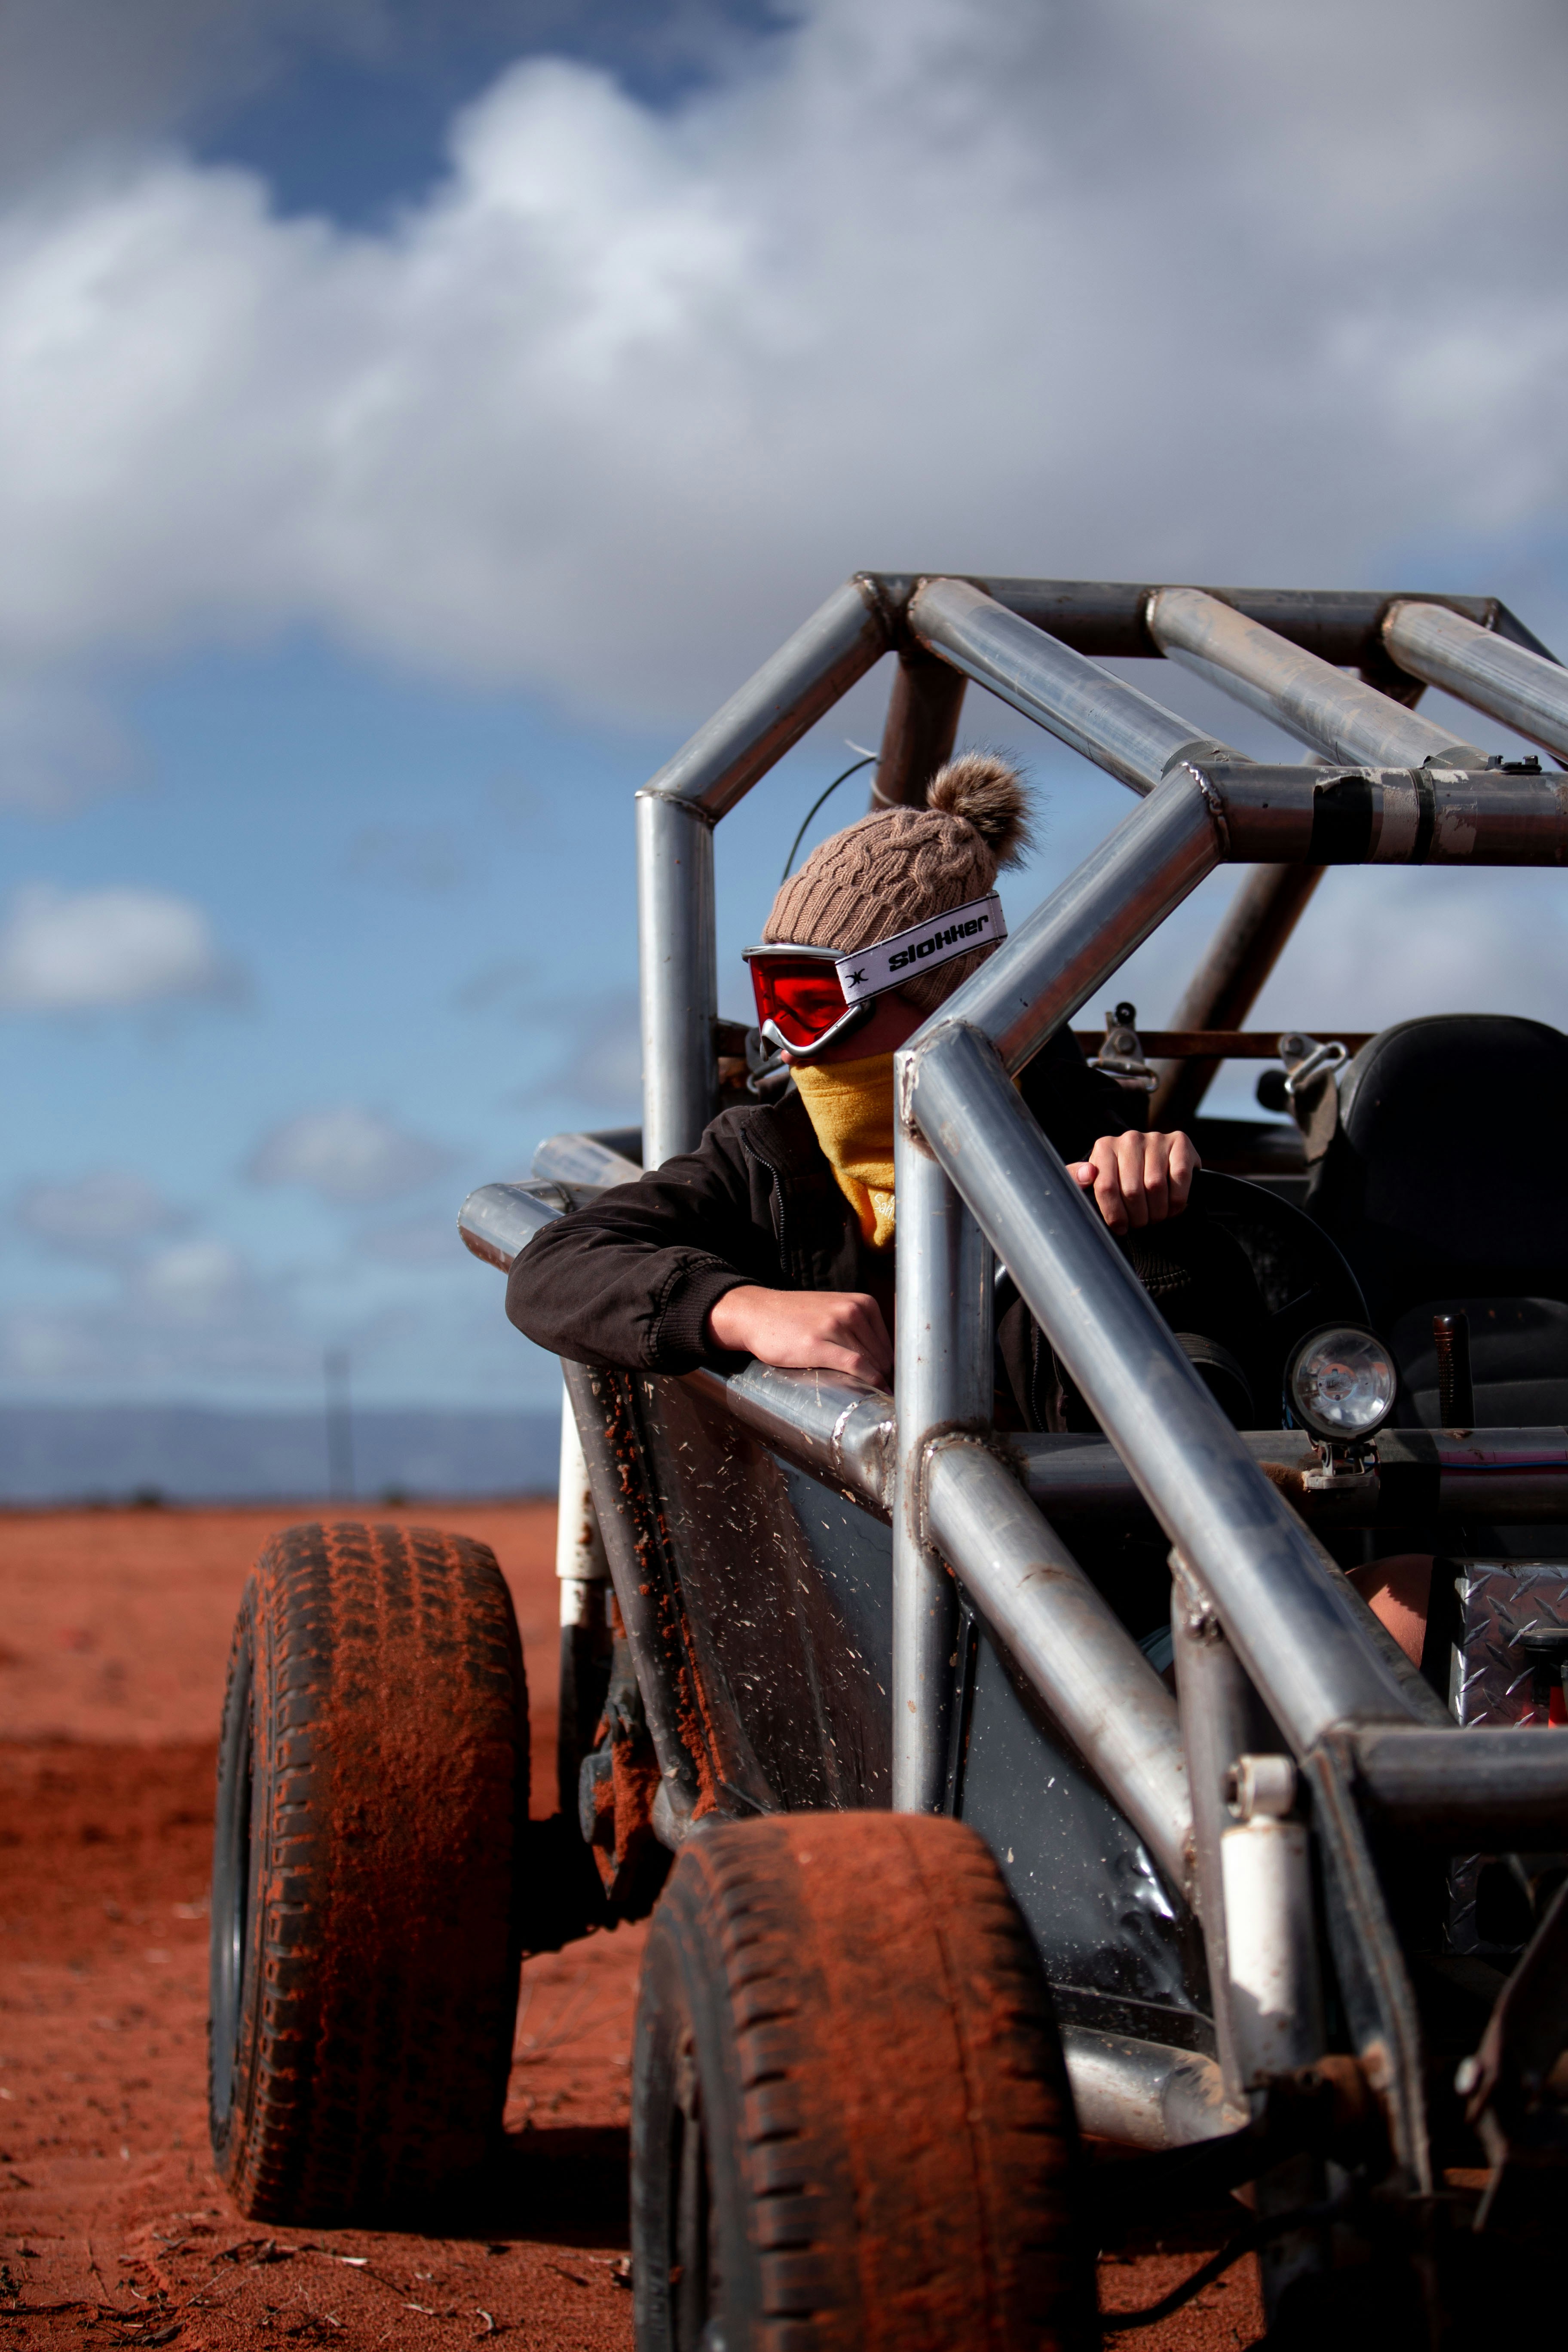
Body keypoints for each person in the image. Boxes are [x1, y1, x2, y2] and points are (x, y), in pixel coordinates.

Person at [508, 753, 1203, 1419]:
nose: (784, 1041)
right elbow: (550, 1270)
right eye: (769, 999)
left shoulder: (1085, 1146)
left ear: (947, 1002)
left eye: (810, 1002)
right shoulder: (763, 1160)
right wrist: (737, 1308)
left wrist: (1167, 1199)